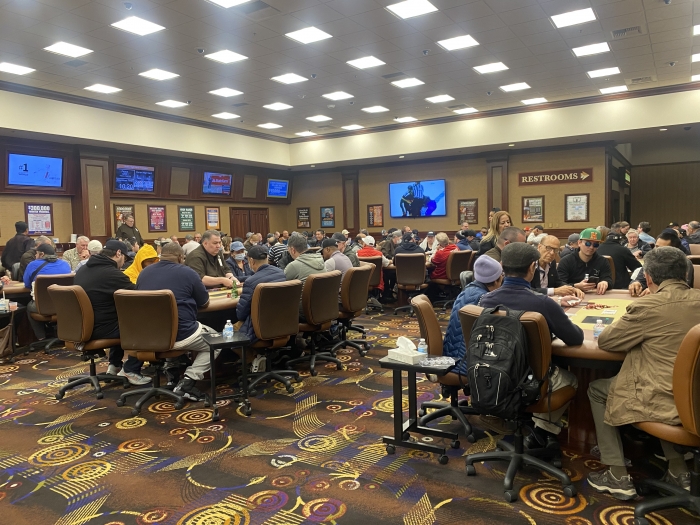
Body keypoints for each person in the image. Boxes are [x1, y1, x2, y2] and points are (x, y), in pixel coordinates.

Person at [587, 247, 700, 500]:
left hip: (665, 399)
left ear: (648, 278)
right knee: (674, 382)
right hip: (695, 396)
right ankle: (679, 469)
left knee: (597, 390)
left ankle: (617, 474)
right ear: (685, 274)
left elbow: (607, 341)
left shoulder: (648, 306)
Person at [480, 243, 583, 447]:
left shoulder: (485, 300)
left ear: (502, 267)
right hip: (530, 384)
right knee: (572, 379)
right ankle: (541, 431)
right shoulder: (543, 303)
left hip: (492, 377)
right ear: (532, 268)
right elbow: (575, 338)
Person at [136, 242, 214, 400]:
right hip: (179, 335)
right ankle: (188, 381)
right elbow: (204, 302)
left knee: (170, 324)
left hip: (146, 336)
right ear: (180, 257)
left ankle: (171, 372)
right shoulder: (188, 272)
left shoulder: (144, 273)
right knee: (216, 341)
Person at [74, 240, 149, 385]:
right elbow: (140, 295)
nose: (124, 263)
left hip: (80, 326)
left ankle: (114, 365)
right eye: (125, 258)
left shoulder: (83, 270)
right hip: (99, 328)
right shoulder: (112, 274)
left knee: (120, 318)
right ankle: (131, 369)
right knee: (144, 323)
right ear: (118, 253)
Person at [442, 256, 504, 377]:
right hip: (465, 365)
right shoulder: (485, 300)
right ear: (497, 280)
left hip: (449, 357)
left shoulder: (466, 291)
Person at [236, 245, 287, 347]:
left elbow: (241, 315)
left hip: (261, 327)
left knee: (229, 331)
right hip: (283, 323)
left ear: (251, 261)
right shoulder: (281, 274)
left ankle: (252, 356)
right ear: (267, 258)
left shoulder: (251, 282)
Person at [24, 243, 71, 342]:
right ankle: (63, 333)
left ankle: (41, 337)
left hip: (42, 307)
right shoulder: (65, 264)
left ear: (41, 254)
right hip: (64, 305)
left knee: (28, 307)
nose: (35, 256)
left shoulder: (32, 265)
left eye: (36, 253)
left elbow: (27, 285)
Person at [629, 231, 695, 296]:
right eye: (656, 246)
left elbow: (682, 287)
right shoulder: (651, 260)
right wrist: (636, 283)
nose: (657, 250)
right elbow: (640, 279)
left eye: (662, 248)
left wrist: (656, 290)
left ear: (674, 249)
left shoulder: (683, 263)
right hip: (650, 298)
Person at [557, 228, 613, 295]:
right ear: (579, 243)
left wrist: (605, 282)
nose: (591, 247)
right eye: (588, 243)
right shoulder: (566, 261)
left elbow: (609, 279)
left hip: (596, 295)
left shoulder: (603, 261)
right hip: (572, 295)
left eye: (595, 245)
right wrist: (575, 286)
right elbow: (559, 284)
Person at [531, 235, 584, 300]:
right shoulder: (529, 263)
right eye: (548, 248)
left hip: (548, 300)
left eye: (555, 250)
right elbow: (526, 290)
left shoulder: (552, 262)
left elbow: (557, 282)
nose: (552, 253)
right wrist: (554, 291)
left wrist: (571, 289)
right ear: (539, 247)